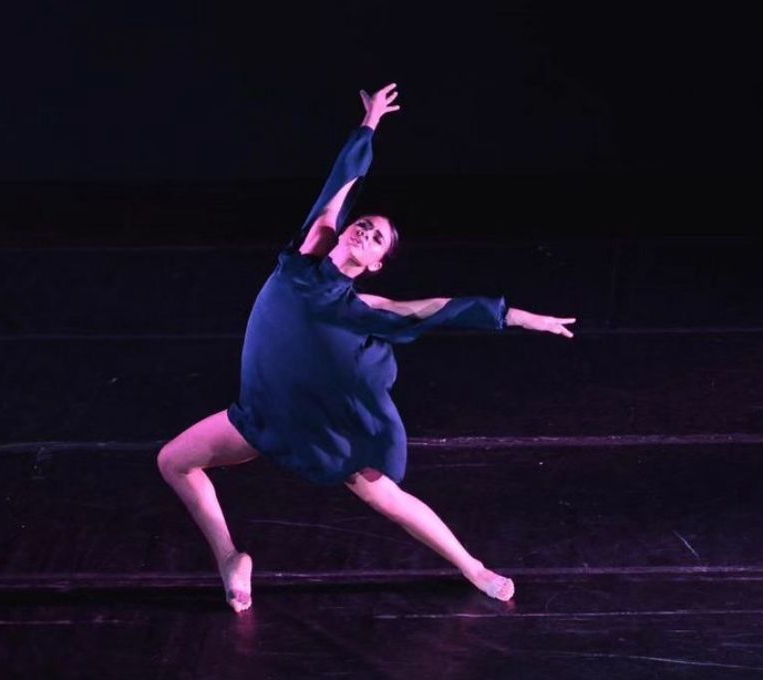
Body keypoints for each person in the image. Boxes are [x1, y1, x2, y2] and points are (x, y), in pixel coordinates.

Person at [157, 83, 576, 613]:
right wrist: (370, 122)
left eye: (377, 238)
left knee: (390, 502)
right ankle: (230, 559)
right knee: (174, 461)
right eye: (364, 225)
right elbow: (342, 183)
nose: (365, 233)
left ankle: (473, 567)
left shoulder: (363, 308)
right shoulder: (304, 255)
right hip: (263, 414)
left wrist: (518, 316)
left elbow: (440, 308)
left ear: (376, 264)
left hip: (323, 430)